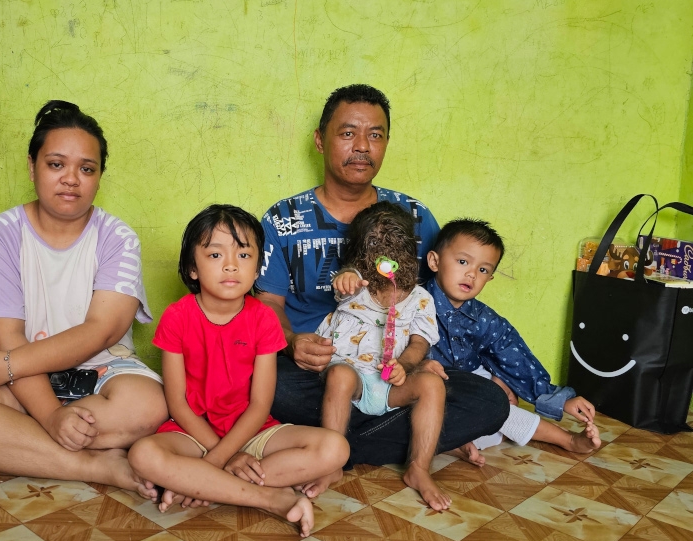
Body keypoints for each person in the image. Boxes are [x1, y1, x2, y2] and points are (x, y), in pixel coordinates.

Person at [0, 101, 166, 498]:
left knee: (147, 406)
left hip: (99, 376)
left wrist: (10, 368)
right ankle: (97, 464)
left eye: (87, 168)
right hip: (16, 385)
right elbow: (6, 337)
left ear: (99, 177)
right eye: (56, 164)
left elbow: (101, 331)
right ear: (32, 167)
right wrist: (51, 416)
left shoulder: (118, 237)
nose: (71, 179)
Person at [256, 83, 509, 466]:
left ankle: (330, 445)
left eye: (375, 135)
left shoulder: (415, 217)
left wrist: (418, 361)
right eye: (347, 133)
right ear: (320, 141)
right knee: (269, 385)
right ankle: (419, 439)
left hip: (395, 373)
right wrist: (292, 342)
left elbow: (433, 302)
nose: (362, 146)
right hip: (319, 370)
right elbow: (268, 303)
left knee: (490, 401)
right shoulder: (284, 219)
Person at [128, 205, 349, 538]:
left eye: (244, 255)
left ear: (258, 266)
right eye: (215, 254)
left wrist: (217, 463)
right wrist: (222, 457)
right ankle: (270, 498)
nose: (231, 264)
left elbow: (260, 404)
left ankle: (203, 483)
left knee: (335, 449)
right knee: (144, 454)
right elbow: (178, 404)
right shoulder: (177, 316)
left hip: (253, 431)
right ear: (192, 267)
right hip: (194, 432)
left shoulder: (263, 318)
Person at [426, 219, 601, 458]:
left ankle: (568, 440)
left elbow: (514, 357)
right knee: (432, 411)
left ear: (490, 278)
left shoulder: (485, 318)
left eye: (483, 270)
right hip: (429, 384)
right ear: (434, 261)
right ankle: (461, 440)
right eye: (463, 261)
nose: (471, 274)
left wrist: (559, 399)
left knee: (499, 404)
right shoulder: (411, 305)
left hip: (471, 382)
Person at [321, 202, 450, 510]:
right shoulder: (357, 287)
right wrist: (346, 277)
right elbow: (344, 281)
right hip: (353, 380)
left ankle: (418, 468)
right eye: (375, 244)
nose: (385, 253)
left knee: (434, 385)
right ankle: (329, 462)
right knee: (337, 376)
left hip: (392, 387)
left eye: (393, 245)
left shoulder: (420, 299)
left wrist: (404, 366)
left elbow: (420, 342)